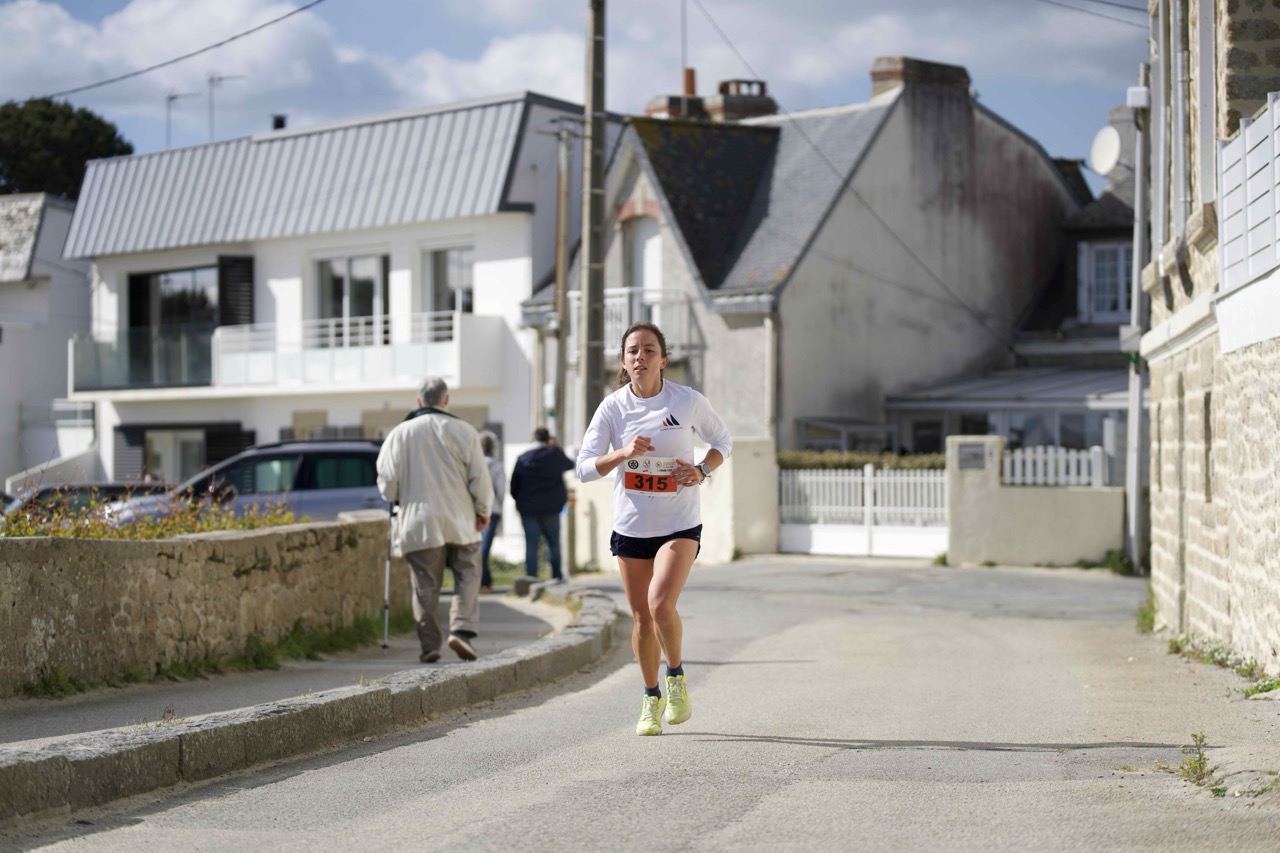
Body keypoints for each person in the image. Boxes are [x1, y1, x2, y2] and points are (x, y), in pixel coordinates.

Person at [575, 321, 732, 736]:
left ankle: (675, 676)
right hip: (631, 527)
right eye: (633, 351)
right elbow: (584, 468)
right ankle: (650, 697)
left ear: (664, 359)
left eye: (649, 350)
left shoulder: (687, 400)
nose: (640, 357)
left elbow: (723, 442)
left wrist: (700, 470)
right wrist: (623, 453)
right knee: (643, 621)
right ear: (623, 361)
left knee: (661, 605)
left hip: (679, 523)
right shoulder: (613, 408)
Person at [376, 376, 493, 663]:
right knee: (468, 574)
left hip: (419, 522)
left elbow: (387, 486)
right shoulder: (465, 431)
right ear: (446, 400)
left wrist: (401, 493)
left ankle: (430, 646)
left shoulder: (399, 434)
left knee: (425, 586)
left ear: (419, 401)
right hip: (461, 519)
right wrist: (483, 511)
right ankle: (461, 630)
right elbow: (480, 478)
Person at [510, 427, 574, 582]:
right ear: (548, 439)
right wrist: (556, 447)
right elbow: (570, 464)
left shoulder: (523, 458)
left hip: (528, 509)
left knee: (531, 545)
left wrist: (520, 502)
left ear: (534, 438)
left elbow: (514, 486)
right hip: (552, 508)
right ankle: (557, 577)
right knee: (553, 545)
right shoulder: (554, 455)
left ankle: (531, 579)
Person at [478, 430, 506, 593]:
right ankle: (484, 581)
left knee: (479, 546)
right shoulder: (497, 465)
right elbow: (501, 490)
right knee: (485, 547)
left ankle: (485, 581)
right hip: (492, 509)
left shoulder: (474, 464)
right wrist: (499, 504)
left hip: (475, 510)